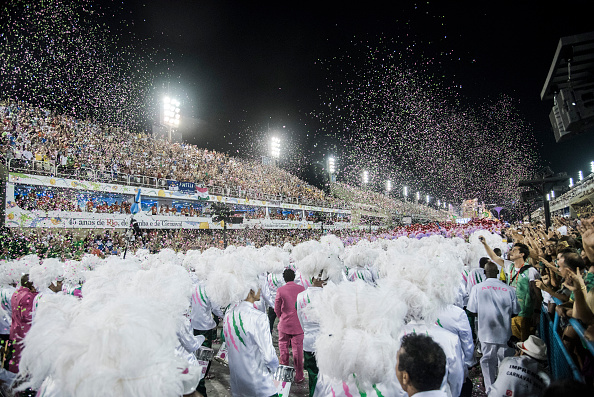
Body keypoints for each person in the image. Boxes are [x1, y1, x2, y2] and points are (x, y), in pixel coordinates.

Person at [467, 261, 519, 393]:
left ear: (484, 273)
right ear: (497, 273)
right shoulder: (509, 289)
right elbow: (516, 311)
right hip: (504, 333)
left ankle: (490, 391)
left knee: (487, 362)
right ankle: (504, 390)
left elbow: (472, 310)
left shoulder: (477, 288)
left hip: (486, 333)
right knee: (505, 363)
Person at [224, 287, 279, 397]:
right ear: (250, 291)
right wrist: (275, 370)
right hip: (260, 384)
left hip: (237, 383)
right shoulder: (259, 317)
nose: (260, 290)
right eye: (258, 287)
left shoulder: (228, 314)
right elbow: (269, 357)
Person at [296, 271, 326, 396]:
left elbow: (300, 318)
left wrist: (307, 331)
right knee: (325, 376)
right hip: (324, 341)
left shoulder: (300, 296)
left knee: (313, 374)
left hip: (308, 340)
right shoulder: (327, 295)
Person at [274, 268, 305, 383]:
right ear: (294, 277)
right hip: (298, 324)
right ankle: (299, 375)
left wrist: (281, 316)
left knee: (283, 347)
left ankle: (284, 373)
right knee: (298, 350)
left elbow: (277, 307)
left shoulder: (280, 290)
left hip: (285, 323)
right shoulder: (301, 289)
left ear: (284, 278)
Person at [8, 274, 37, 374]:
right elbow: (27, 316)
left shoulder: (16, 292)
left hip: (15, 328)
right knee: (23, 359)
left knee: (16, 357)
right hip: (24, 332)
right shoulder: (28, 295)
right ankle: (20, 381)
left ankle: (14, 379)